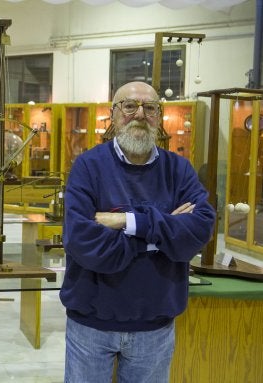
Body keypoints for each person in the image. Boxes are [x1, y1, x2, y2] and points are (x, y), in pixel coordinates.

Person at [59, 81, 216, 383]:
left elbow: (198, 231)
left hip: (154, 328)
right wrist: (159, 235)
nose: (140, 114)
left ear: (159, 116)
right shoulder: (88, 167)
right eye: (129, 106)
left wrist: (127, 222)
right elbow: (82, 242)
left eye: (150, 107)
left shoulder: (179, 170)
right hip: (91, 325)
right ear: (114, 114)